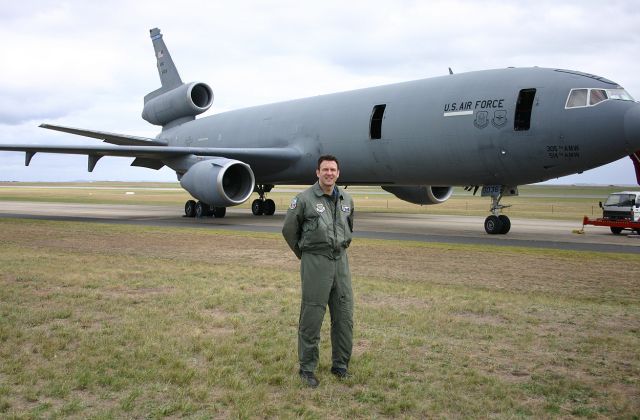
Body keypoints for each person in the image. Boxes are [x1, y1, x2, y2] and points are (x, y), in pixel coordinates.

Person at [282, 155, 355, 388]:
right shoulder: (304, 200)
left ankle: (340, 365)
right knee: (312, 316)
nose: (329, 173)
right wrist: (305, 254)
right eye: (325, 169)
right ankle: (307, 368)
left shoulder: (346, 199)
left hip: (340, 261)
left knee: (344, 315)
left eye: (333, 169)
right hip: (315, 261)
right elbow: (289, 231)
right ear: (317, 172)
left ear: (338, 173)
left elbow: (349, 227)